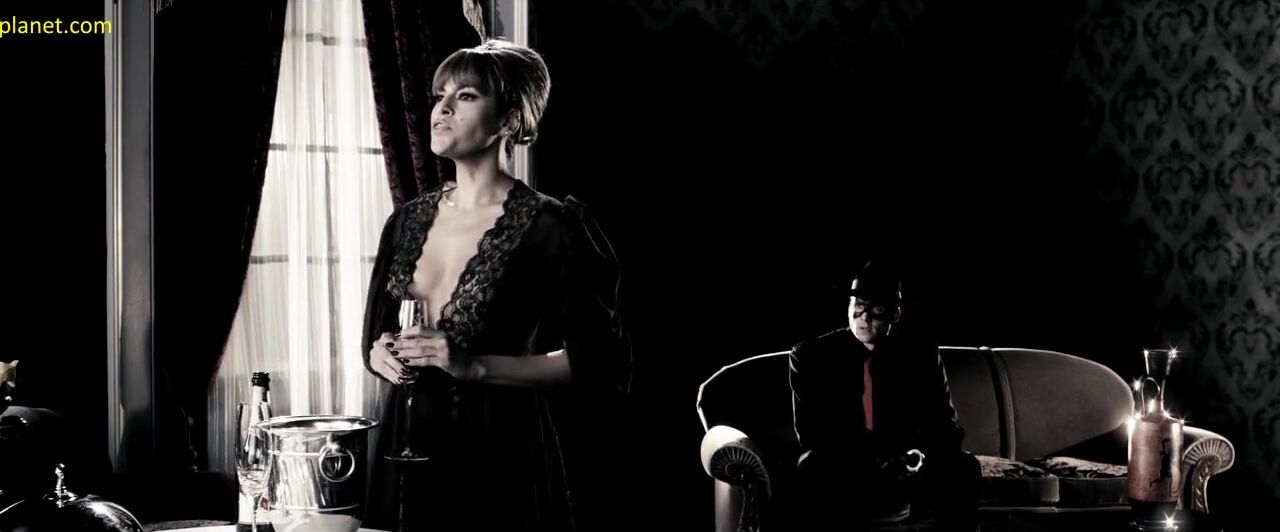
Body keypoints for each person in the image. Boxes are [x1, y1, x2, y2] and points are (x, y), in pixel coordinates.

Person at [360, 39, 631, 532]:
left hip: (501, 459)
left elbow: (599, 364)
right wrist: (380, 353)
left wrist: (473, 365)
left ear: (507, 120)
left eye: (465, 96)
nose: (442, 108)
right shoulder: (404, 222)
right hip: (405, 452)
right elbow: (376, 339)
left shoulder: (552, 226)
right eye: (440, 95)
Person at [787, 261, 979, 532]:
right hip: (843, 462)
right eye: (858, 306)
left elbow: (945, 424)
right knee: (813, 467)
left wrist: (917, 455)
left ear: (894, 314)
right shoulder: (811, 356)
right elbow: (813, 433)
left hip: (908, 462)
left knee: (964, 467)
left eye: (876, 309)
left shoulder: (920, 353)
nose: (864, 317)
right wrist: (869, 463)